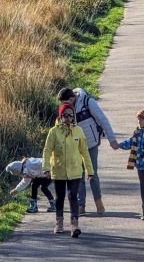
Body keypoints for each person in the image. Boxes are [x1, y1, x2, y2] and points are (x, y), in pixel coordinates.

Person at [56, 87, 119, 217]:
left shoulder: (88, 102)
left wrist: (112, 139)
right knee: (78, 175)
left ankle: (98, 202)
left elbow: (102, 119)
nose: (65, 106)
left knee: (92, 174)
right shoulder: (66, 109)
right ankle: (81, 205)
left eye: (66, 102)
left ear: (72, 98)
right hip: (74, 146)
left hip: (91, 144)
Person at [43, 102, 94, 237]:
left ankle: (74, 225)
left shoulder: (78, 130)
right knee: (60, 197)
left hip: (75, 170)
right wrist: (46, 168)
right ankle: (59, 223)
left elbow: (84, 152)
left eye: (70, 116)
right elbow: (47, 150)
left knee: (73, 196)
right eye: (65, 116)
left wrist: (90, 171)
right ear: (60, 116)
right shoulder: (53, 132)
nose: (68, 118)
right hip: (58, 170)